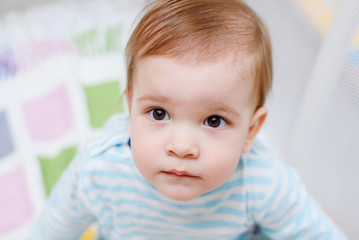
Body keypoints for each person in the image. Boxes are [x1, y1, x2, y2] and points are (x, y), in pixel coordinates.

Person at [30, 0, 347, 239]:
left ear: (251, 131)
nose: (182, 147)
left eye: (213, 120)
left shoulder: (260, 181)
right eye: (158, 113)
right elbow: (50, 231)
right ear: (130, 108)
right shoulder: (99, 170)